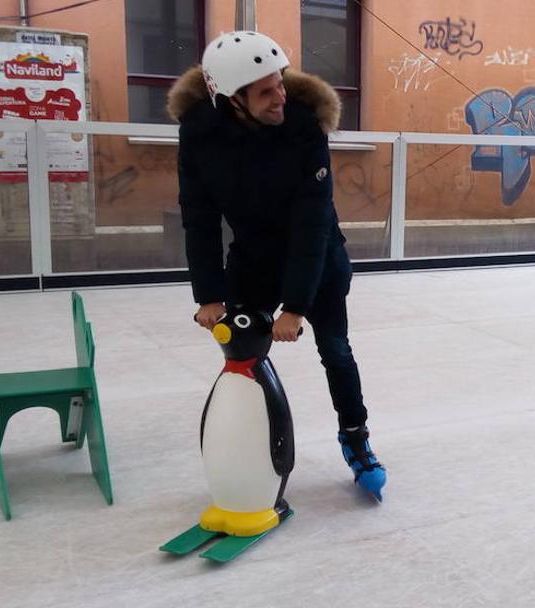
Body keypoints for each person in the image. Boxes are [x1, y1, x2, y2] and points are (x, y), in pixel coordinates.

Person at [168, 30, 386, 500]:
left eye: (280, 83)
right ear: (232, 98)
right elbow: (198, 217)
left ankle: (356, 439)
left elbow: (313, 222)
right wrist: (208, 294)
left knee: (336, 350)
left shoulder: (303, 125)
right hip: (253, 259)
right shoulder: (200, 133)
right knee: (243, 355)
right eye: (266, 91)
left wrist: (296, 306)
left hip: (318, 258)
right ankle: (251, 449)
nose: (280, 96)